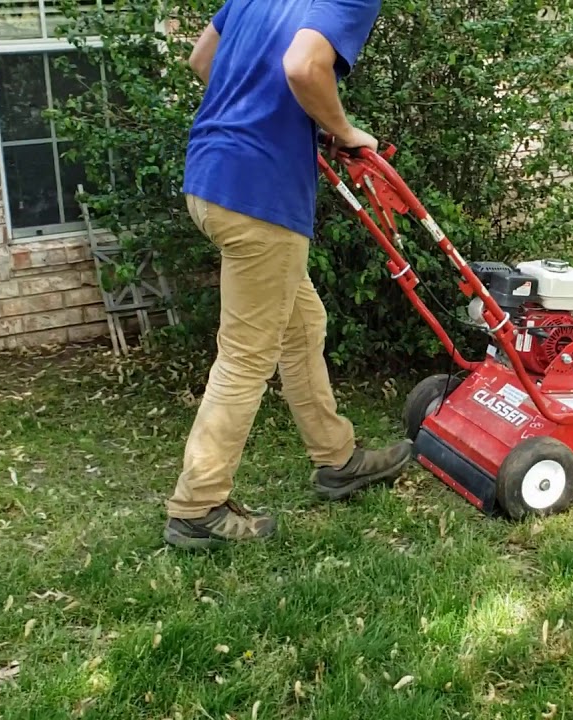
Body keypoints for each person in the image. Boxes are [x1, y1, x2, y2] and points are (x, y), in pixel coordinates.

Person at [163, 0, 411, 550]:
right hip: (260, 196)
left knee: (302, 326)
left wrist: (265, 116)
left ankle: (338, 459)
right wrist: (343, 130)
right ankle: (197, 506)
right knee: (247, 354)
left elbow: (203, 59)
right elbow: (303, 67)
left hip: (209, 178)